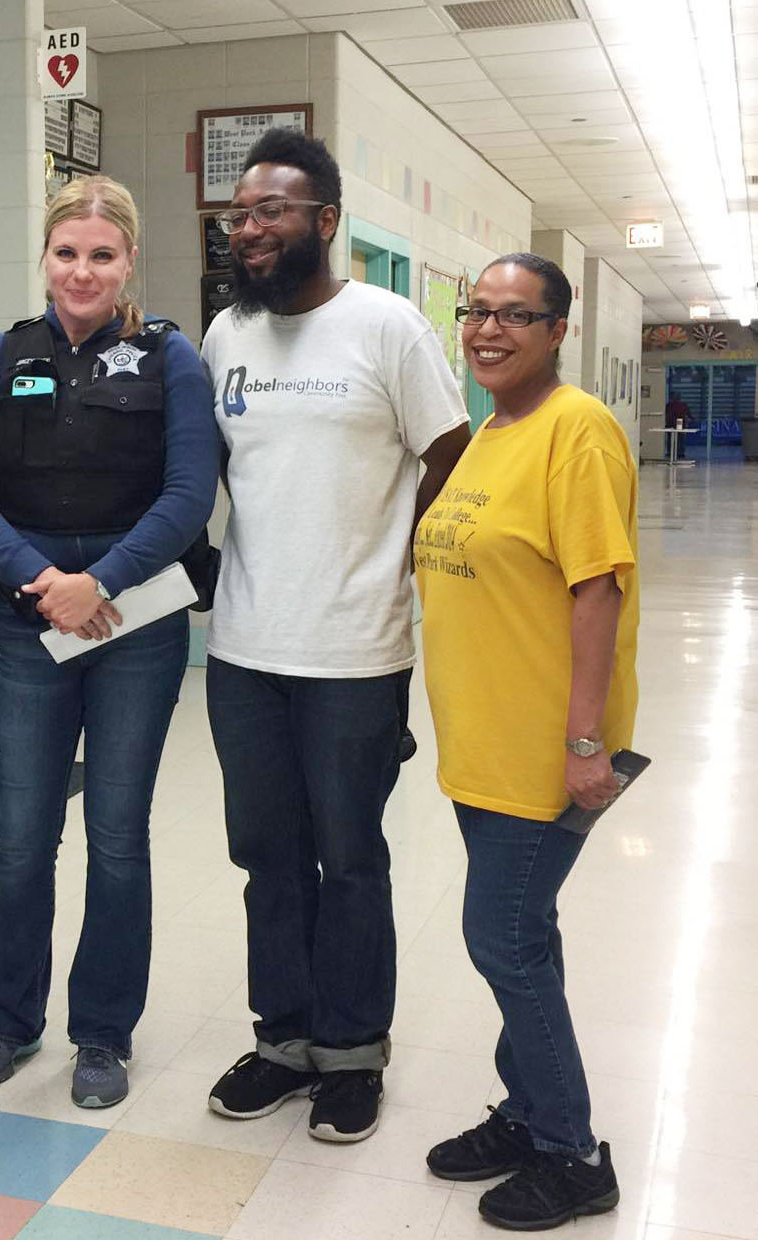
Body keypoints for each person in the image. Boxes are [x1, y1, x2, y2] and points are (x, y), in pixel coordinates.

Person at [200, 129, 470, 1141]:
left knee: (350, 856)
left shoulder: (387, 327)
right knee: (267, 856)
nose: (249, 228)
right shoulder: (226, 335)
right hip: (244, 651)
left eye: (270, 210)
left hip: (355, 652)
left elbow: (451, 450)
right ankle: (283, 1039)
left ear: (324, 220)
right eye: (240, 213)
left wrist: (394, 553)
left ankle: (352, 1051)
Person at [0, 175, 218, 1109]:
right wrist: (42, 582)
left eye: (102, 255)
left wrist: (97, 583)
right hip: (32, 627)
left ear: (128, 260)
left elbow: (188, 495)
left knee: (117, 837)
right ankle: (9, 1019)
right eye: (67, 253)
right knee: (22, 837)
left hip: (135, 626)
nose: (82, 271)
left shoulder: (170, 358)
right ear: (45, 256)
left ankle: (102, 1033)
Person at [415, 253, 636, 1230]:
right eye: (477, 311)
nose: (488, 330)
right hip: (485, 742)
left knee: (501, 937)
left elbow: (598, 589)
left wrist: (586, 740)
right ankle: (529, 1111)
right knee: (523, 932)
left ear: (557, 330)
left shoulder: (575, 429)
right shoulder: (490, 433)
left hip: (548, 747)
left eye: (515, 315)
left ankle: (571, 1153)